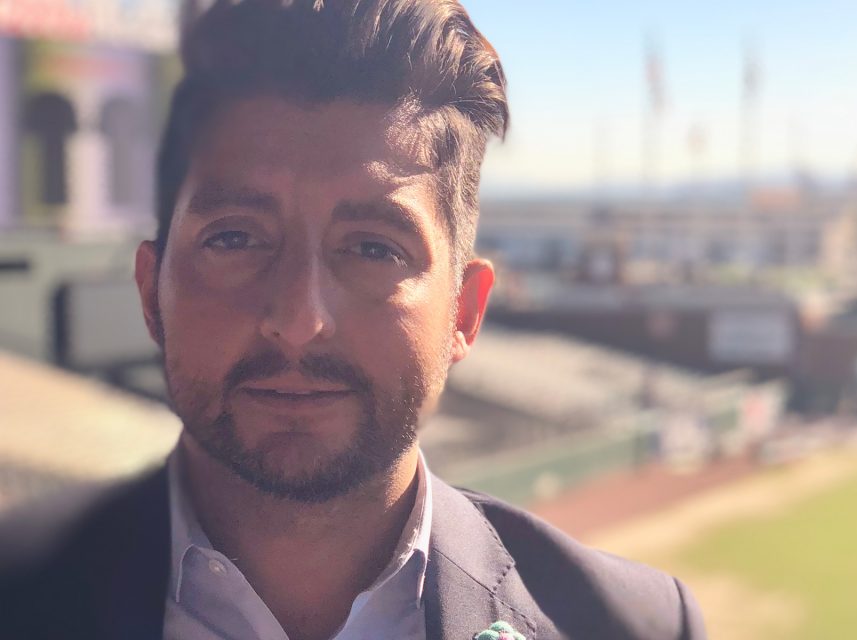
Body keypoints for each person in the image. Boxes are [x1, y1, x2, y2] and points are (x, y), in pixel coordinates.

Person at [0, 1, 706, 639]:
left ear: (464, 309)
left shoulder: (630, 627)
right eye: (236, 239)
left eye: (374, 249)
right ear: (152, 293)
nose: (299, 321)